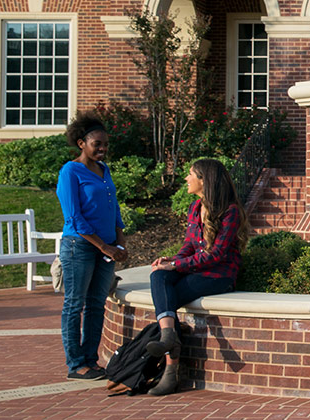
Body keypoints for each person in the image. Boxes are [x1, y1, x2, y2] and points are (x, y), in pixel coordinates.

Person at [144, 158, 249, 395]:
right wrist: (170, 262)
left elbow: (217, 255)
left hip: (218, 276)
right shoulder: (194, 208)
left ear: (204, 180)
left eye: (190, 174)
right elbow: (189, 246)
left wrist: (178, 266)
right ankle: (169, 337)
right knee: (158, 277)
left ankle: (171, 370)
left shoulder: (229, 210)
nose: (186, 178)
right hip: (197, 270)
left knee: (168, 301)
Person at [57, 111, 129, 381]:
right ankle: (76, 364)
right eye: (97, 144)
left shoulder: (104, 170)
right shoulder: (70, 171)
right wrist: (104, 247)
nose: (103, 149)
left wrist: (119, 241)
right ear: (81, 143)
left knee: (97, 304)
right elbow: (73, 217)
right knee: (75, 304)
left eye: (105, 144)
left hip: (107, 247)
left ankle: (91, 360)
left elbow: (114, 208)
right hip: (80, 247)